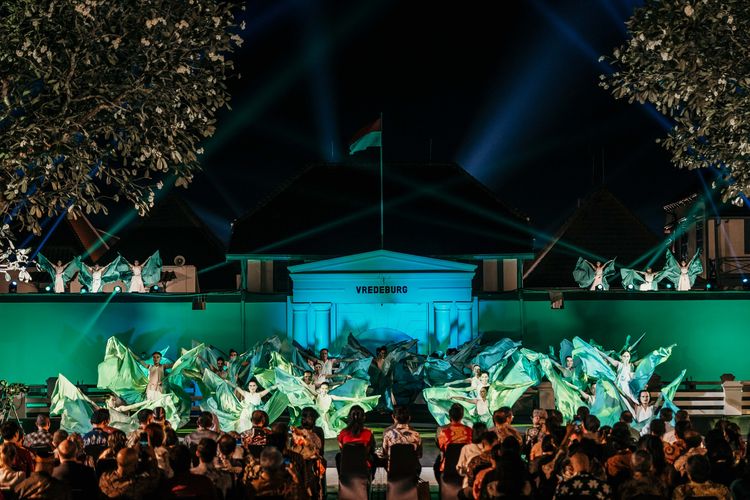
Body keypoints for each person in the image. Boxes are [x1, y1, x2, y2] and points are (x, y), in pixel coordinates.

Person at [336, 405, 376, 475]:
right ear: (363, 417)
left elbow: (342, 450)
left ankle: (341, 477)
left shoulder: (342, 433)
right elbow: (371, 450)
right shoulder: (369, 433)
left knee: (338, 456)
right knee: (374, 457)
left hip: (347, 465)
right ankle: (370, 478)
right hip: (363, 465)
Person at [381, 406, 422, 473]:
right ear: (409, 418)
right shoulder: (416, 434)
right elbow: (419, 454)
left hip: (392, 469)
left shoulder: (387, 433)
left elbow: (384, 454)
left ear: (393, 417)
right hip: (411, 469)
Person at [436, 403, 473, 476]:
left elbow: (441, 448)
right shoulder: (469, 431)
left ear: (449, 415)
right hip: (464, 467)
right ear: (462, 416)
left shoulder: (442, 431)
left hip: (448, 466)